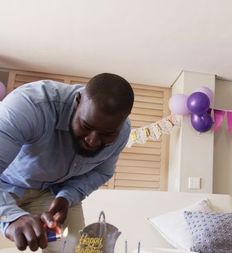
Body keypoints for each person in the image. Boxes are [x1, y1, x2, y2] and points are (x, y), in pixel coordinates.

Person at [0, 73, 134, 252]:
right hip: (5, 186)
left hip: (52, 192)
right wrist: (10, 216)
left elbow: (102, 172)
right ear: (77, 102)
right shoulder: (30, 105)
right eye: (86, 126)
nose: (92, 141)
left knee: (71, 248)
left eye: (107, 134)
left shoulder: (122, 132)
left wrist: (67, 196)